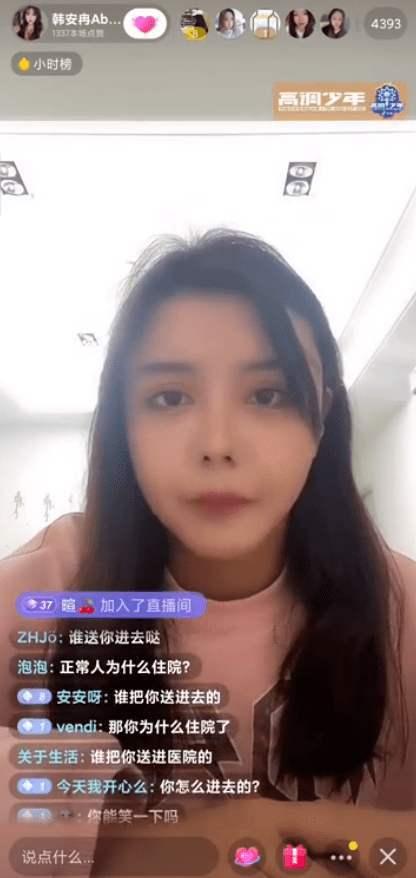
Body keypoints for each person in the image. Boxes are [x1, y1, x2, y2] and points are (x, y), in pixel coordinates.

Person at [1, 230, 416, 873]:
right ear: (124, 425)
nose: (217, 444)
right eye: (169, 398)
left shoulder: (401, 608)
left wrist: (320, 827)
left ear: (323, 416)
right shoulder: (46, 590)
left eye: (267, 395)